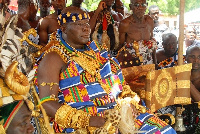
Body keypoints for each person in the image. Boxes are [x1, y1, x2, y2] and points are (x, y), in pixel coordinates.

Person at [35, 6, 176, 134]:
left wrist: (128, 102)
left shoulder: (98, 51)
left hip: (117, 113)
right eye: (79, 24)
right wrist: (89, 120)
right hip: (82, 123)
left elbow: (121, 86)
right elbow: (47, 102)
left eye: (86, 23)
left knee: (163, 130)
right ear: (64, 29)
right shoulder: (54, 57)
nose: (86, 28)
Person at [0, 0, 39, 77]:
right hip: (13, 71)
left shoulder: (18, 20)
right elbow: (6, 51)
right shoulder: (18, 22)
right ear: (31, 5)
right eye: (36, 5)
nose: (37, 9)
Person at [117, 0, 157, 66]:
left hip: (149, 63)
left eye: (143, 5)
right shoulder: (125, 24)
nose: (140, 8)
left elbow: (152, 44)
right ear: (131, 7)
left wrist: (155, 62)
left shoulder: (149, 21)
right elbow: (120, 48)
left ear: (146, 6)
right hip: (131, 65)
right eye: (136, 5)